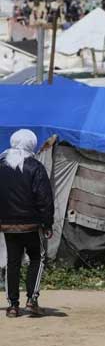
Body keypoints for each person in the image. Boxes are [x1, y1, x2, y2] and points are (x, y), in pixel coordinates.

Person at [0, 129, 54, 318]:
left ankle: (12, 306)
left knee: (12, 262)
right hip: (31, 224)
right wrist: (47, 223)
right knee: (37, 258)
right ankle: (32, 300)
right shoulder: (36, 167)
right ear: (32, 143)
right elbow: (44, 198)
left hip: (7, 224)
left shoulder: (1, 165)